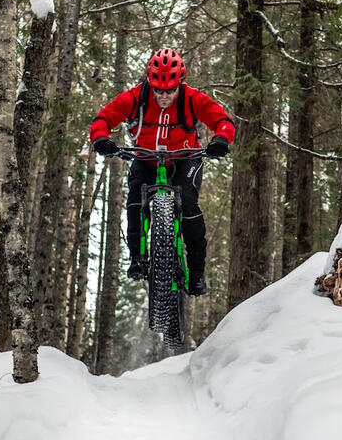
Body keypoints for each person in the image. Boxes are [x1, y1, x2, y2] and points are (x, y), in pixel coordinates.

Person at [89, 47, 235, 296]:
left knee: (187, 204)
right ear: (149, 82)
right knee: (135, 195)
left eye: (169, 90)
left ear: (180, 83)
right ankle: (137, 257)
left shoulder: (191, 98)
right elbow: (102, 120)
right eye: (158, 90)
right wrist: (102, 139)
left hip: (185, 158)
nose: (164, 96)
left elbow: (223, 121)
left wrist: (221, 140)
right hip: (146, 157)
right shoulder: (134, 98)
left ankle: (197, 273)